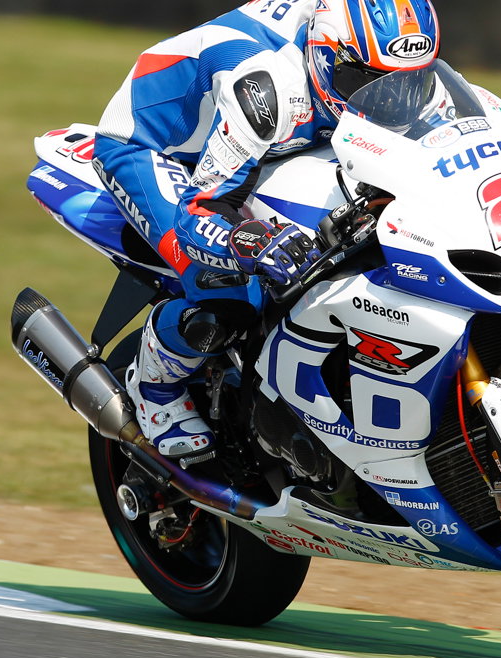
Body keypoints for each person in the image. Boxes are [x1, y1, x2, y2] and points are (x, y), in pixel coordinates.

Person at [92, 0, 440, 459]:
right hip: (157, 147)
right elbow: (199, 212)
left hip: (273, 142)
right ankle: (154, 386)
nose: (392, 99)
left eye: (408, 83)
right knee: (233, 292)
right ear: (323, 53)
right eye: (364, 82)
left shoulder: (390, 63)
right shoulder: (265, 88)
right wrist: (256, 243)